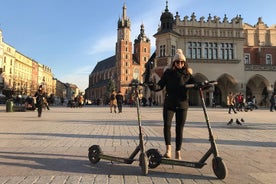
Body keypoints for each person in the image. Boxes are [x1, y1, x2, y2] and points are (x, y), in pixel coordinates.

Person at [148, 49, 194, 160]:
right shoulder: (168, 73)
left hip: (182, 104)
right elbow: (160, 85)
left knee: (179, 129)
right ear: (174, 63)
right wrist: (153, 86)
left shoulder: (188, 74)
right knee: (167, 126)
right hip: (169, 103)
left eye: (182, 62)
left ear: (184, 63)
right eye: (177, 62)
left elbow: (195, 84)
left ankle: (178, 151)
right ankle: (168, 150)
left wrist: (203, 86)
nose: (180, 64)